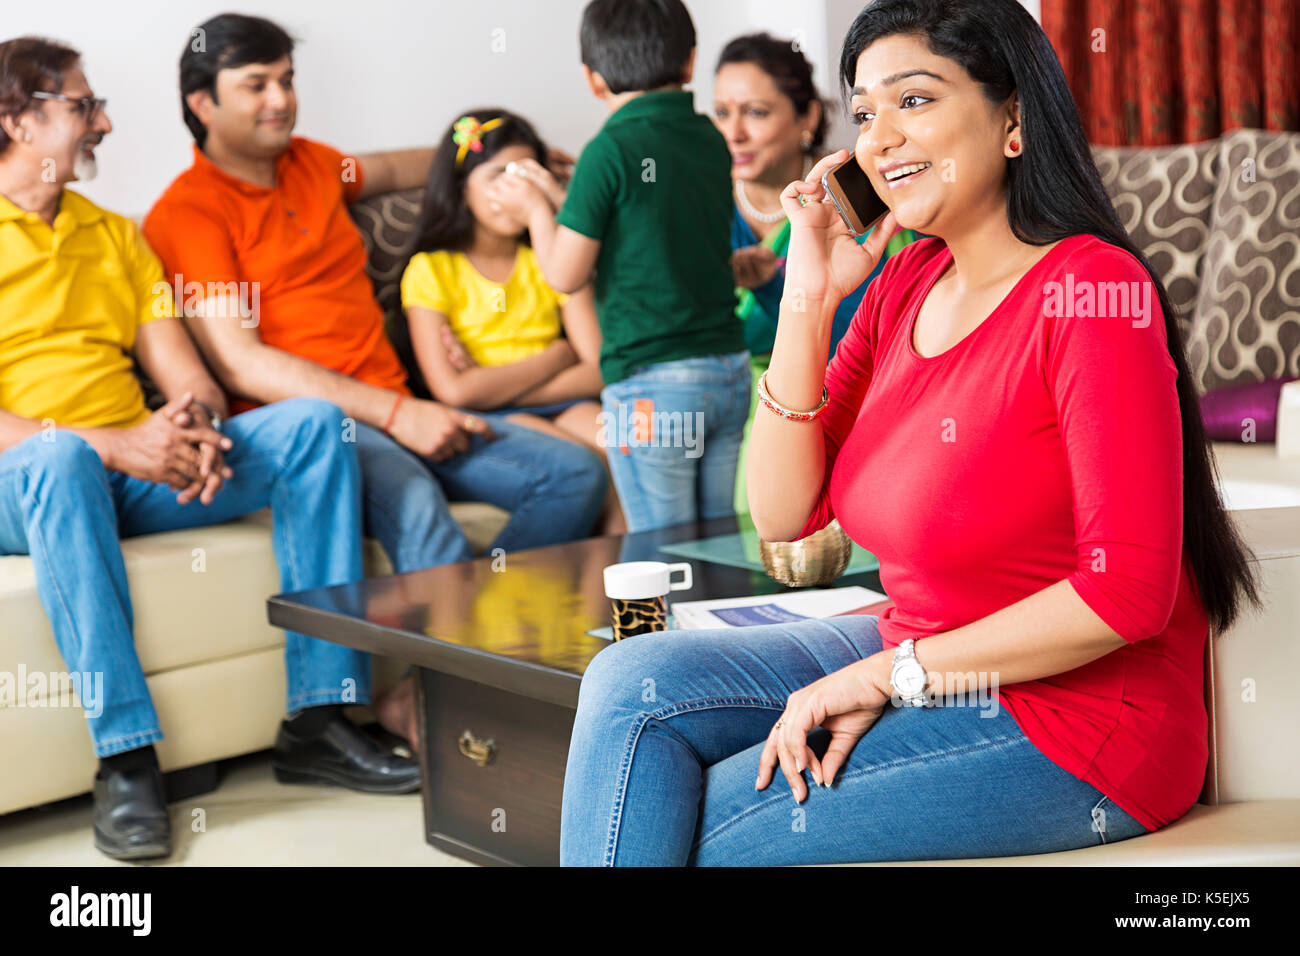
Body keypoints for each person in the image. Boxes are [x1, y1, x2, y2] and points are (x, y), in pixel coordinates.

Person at [557, 0, 1262, 866]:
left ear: (1013, 118)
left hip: (1079, 722)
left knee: (691, 826)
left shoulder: (1090, 294)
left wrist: (889, 678)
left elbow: (1124, 595)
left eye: (915, 100)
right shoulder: (904, 282)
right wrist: (810, 291)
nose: (878, 137)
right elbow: (783, 514)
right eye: (862, 112)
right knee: (629, 682)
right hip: (917, 639)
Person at [0, 36, 419, 862]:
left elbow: (186, 374)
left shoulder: (113, 235)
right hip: (33, 477)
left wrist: (188, 427)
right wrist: (120, 445)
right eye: (83, 106)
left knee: (306, 425)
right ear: (15, 120)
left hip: (133, 463)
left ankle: (320, 718)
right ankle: (125, 758)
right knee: (61, 459)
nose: (105, 122)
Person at [141, 15, 610, 748]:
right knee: (423, 514)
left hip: (403, 410)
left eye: (287, 80)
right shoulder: (188, 213)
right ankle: (443, 713)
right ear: (202, 104)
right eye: (256, 85)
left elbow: (407, 166)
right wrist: (399, 412)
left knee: (572, 473)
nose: (280, 99)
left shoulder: (320, 166)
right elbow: (241, 363)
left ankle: (493, 651)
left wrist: (509, 159)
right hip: (325, 430)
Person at [490, 0, 750, 535]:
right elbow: (649, 226)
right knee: (716, 546)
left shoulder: (607, 151)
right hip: (729, 370)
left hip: (655, 383)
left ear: (592, 79)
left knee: (662, 555)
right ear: (691, 60)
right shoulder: (709, 138)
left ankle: (667, 627)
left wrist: (539, 209)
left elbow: (565, 274)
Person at [712, 32, 921, 514]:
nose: (734, 133)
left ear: (806, 117)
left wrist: (772, 291)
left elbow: (858, 337)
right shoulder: (704, 209)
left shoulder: (849, 204)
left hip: (832, 383)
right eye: (723, 113)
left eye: (756, 112)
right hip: (729, 386)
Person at [399, 107, 625, 534]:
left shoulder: (550, 258)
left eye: (526, 173)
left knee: (625, 449)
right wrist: (558, 356)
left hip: (544, 401)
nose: (516, 188)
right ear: (461, 188)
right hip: (494, 416)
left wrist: (496, 387)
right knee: (580, 465)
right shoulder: (432, 270)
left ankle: (620, 589)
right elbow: (454, 390)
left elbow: (598, 368)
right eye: (498, 174)